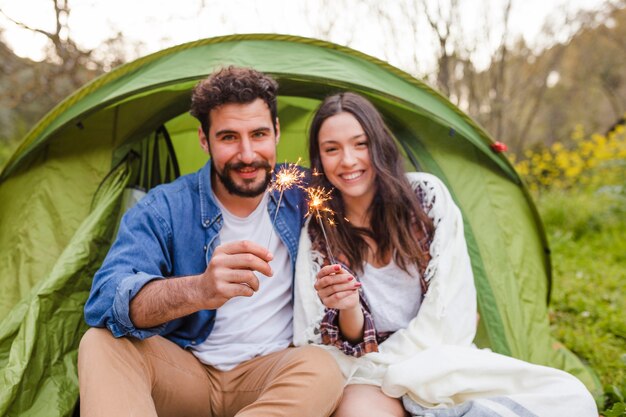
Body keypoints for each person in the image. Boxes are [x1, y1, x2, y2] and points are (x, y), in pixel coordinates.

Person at [293, 92, 598, 417]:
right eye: (331, 149)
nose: (348, 160)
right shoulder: (320, 230)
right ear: (319, 159)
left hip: (438, 360)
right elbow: (320, 341)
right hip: (365, 377)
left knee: (571, 397)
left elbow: (450, 314)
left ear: (379, 145)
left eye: (360, 144)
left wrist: (391, 363)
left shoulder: (425, 200)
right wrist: (348, 309)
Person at [78, 66, 344, 417]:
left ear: (277, 132)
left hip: (270, 372)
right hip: (187, 373)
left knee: (322, 368)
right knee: (100, 343)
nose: (247, 154)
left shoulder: (304, 194)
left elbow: (373, 187)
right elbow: (105, 299)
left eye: (259, 134)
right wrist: (199, 290)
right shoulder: (166, 207)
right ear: (204, 139)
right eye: (229, 137)